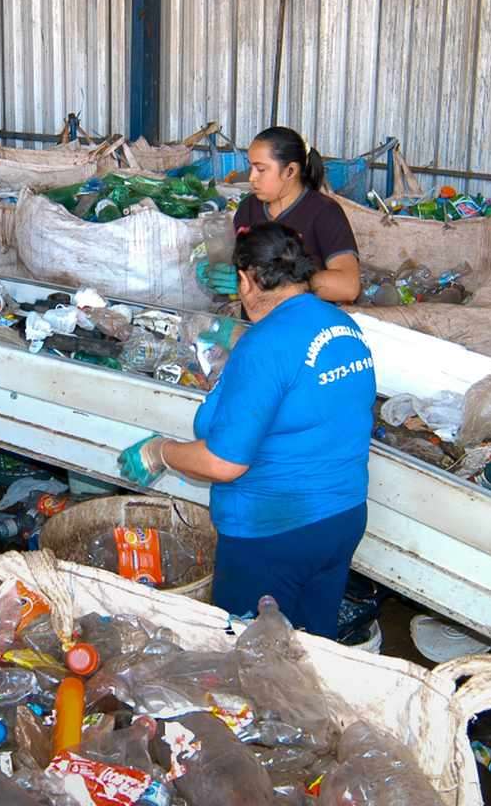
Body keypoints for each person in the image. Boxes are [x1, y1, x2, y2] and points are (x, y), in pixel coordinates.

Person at [120, 223, 376, 636]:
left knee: (251, 665)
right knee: (313, 653)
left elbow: (224, 462)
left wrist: (160, 452)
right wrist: (240, 336)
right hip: (341, 519)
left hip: (273, 532)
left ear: (245, 279)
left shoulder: (265, 348)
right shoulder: (343, 326)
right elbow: (304, 379)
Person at [197, 127, 361, 304]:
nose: (251, 177)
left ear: (290, 171)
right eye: (250, 167)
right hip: (255, 318)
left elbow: (348, 287)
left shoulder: (324, 212)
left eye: (261, 169)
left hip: (302, 321)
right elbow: (241, 264)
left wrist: (266, 282)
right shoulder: (249, 208)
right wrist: (222, 270)